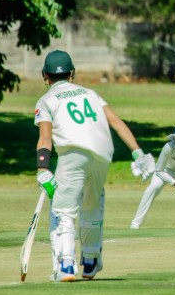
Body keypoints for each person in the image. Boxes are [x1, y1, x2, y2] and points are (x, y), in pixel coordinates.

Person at [34, 50, 155, 282]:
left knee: (64, 211)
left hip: (73, 154)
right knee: (91, 204)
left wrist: (42, 169)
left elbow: (45, 139)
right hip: (102, 155)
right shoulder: (91, 93)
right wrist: (138, 153)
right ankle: (90, 261)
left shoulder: (46, 100)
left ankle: (66, 265)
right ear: (72, 73)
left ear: (44, 75)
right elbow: (116, 123)